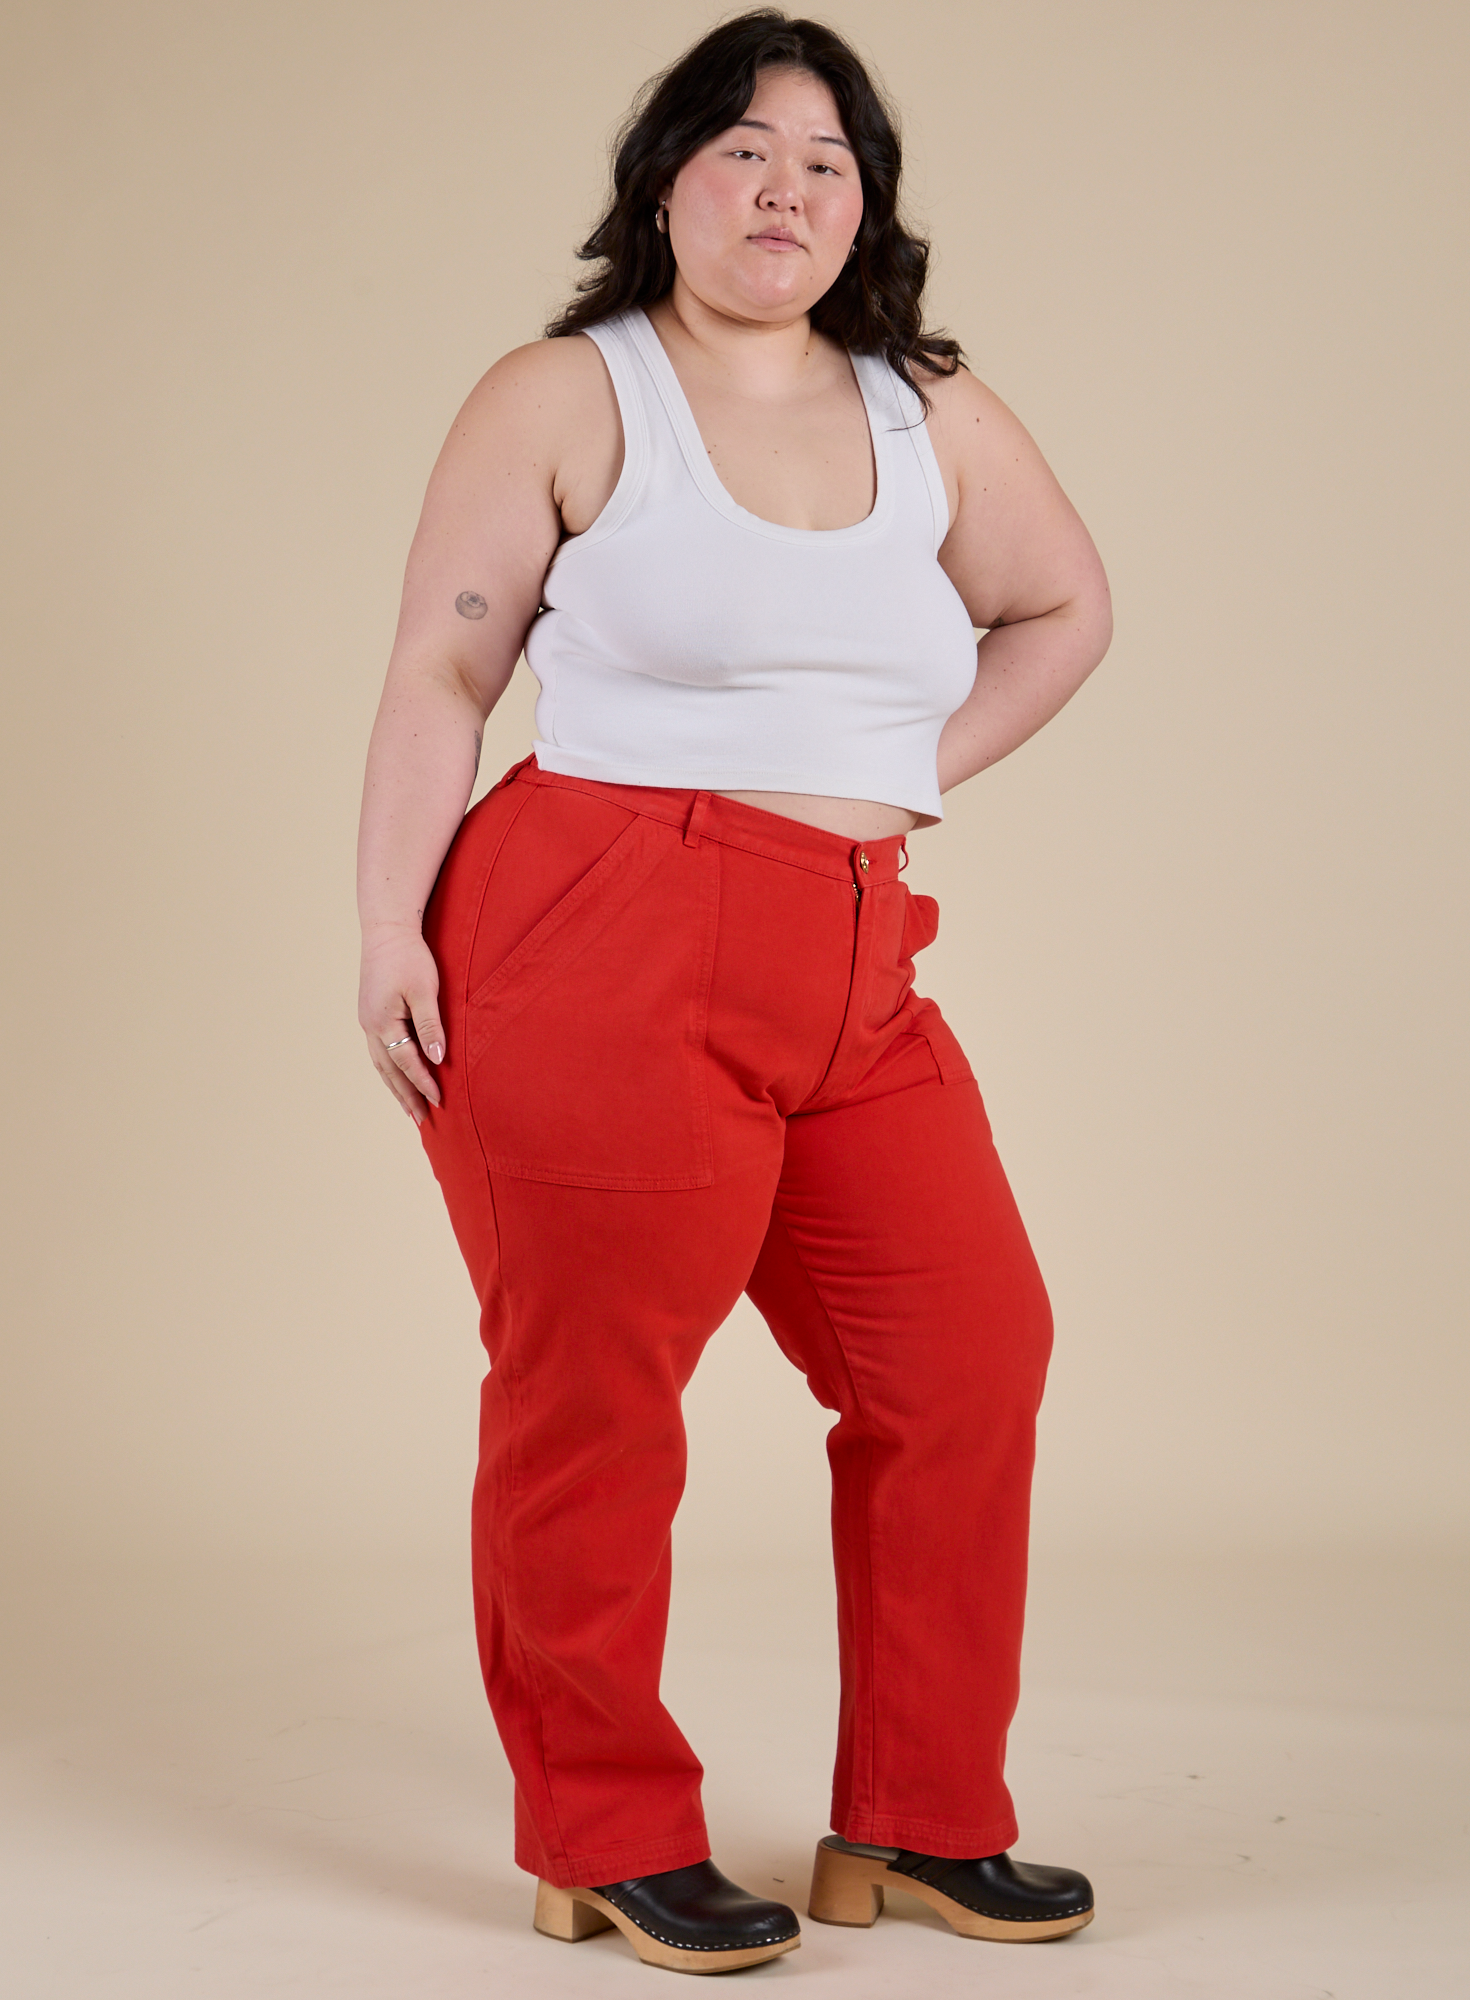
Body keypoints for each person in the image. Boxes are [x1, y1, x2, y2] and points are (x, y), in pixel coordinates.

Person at [356, 9, 1111, 1976]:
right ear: (667, 179)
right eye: (743, 149)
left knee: (967, 1359)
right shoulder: (565, 389)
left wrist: (897, 761)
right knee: (595, 1402)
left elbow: (1062, 605)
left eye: (825, 160)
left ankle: (921, 1818)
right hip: (596, 925)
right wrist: (385, 930)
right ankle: (602, 1833)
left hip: (854, 935)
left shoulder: (918, 405)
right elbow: (445, 668)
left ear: (865, 205)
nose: (784, 189)